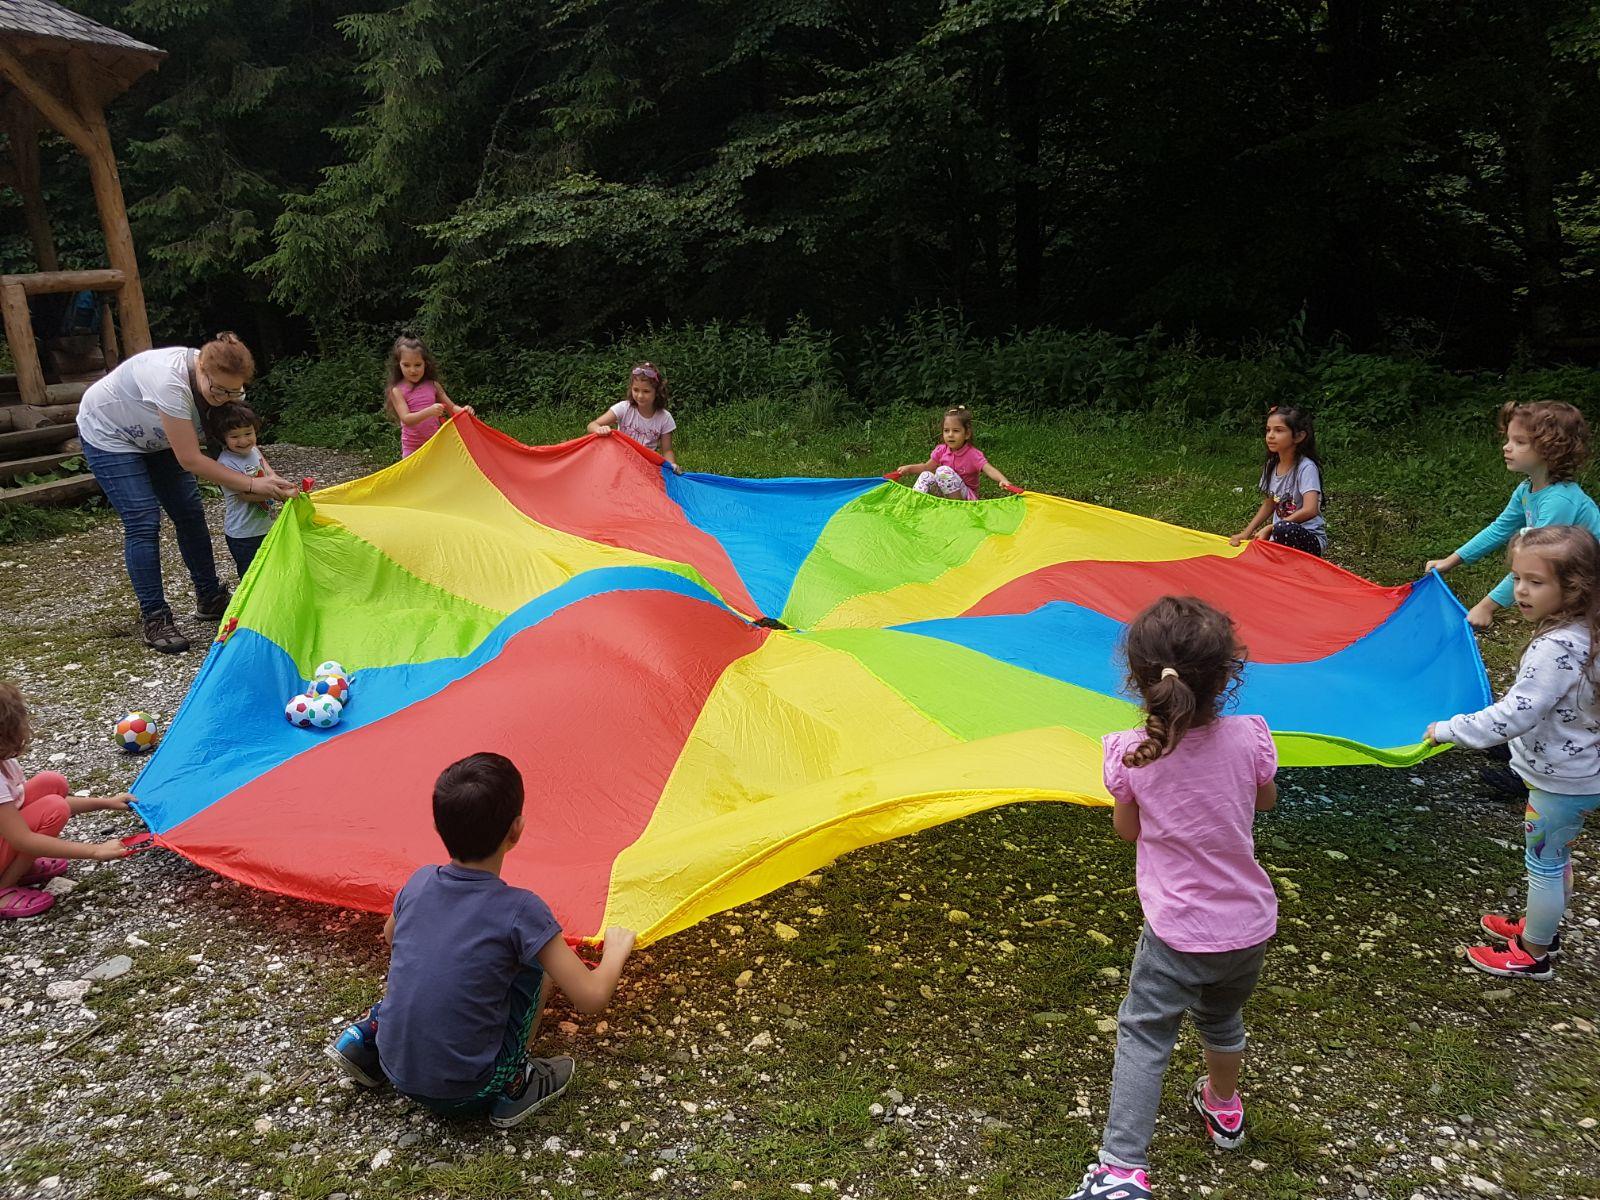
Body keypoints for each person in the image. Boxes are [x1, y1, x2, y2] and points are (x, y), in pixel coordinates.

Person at [1066, 596, 1278, 1200]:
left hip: (1177, 931)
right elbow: (1263, 803)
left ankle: (1123, 1168)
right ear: (1228, 676)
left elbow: (1128, 832)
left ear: (1137, 679)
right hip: (1248, 926)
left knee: (1145, 1033)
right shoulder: (1251, 738)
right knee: (1221, 1016)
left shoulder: (1131, 754)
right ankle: (1224, 1106)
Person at [327, 752, 636, 1126]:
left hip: (396, 1069)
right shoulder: (522, 910)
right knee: (540, 966)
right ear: (517, 830)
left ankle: (365, 1040)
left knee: (430, 965)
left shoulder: (421, 880)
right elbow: (591, 998)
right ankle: (515, 1082)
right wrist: (616, 952)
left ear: (439, 828)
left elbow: (391, 936)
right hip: (468, 1091)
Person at [1426, 525, 1600, 982]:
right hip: (1580, 775)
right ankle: (1545, 928)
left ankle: (1534, 953)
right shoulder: (1586, 631)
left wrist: (1450, 730)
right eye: (1517, 578)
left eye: (1535, 582)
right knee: (1557, 855)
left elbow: (1513, 716)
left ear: (1575, 587)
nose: (1520, 591)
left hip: (1561, 781)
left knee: (1544, 864)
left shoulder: (1556, 646)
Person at [76, 333, 299, 653]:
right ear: (201, 371)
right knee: (143, 520)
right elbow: (190, 459)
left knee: (189, 512)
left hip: (159, 437)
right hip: (111, 435)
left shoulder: (225, 379)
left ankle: (210, 597)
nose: (226, 397)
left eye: (235, 391)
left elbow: (239, 434)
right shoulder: (170, 382)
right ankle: (155, 617)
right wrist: (252, 485)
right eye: (219, 390)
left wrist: (270, 477)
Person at [1424, 401, 1600, 632]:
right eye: (1508, 440)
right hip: (1568, 581)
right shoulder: (1527, 489)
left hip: (1588, 584)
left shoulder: (1560, 501)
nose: (1507, 447)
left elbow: (1537, 560)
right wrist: (1451, 560)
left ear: (1551, 449)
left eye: (1519, 442)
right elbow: (1499, 529)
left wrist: (1487, 606)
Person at [0, 683, 136, 920]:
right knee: (54, 808)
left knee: (51, 783)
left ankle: (21, 868)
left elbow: (28, 805)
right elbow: (22, 837)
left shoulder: (4, 762)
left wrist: (106, 802)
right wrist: (95, 851)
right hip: (11, 837)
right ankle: (3, 888)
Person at [889, 405, 1018, 499]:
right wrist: (909, 469)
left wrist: (1003, 480)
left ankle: (957, 508)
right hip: (945, 492)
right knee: (926, 475)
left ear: (966, 434)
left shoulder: (972, 454)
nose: (950, 435)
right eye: (946, 430)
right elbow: (926, 467)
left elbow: (989, 469)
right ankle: (915, 504)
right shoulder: (941, 450)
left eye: (956, 431)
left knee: (942, 471)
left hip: (966, 498)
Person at [211, 403, 276, 578]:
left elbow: (270, 474)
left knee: (270, 571)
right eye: (234, 436)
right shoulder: (225, 463)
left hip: (267, 527)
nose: (243, 441)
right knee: (251, 576)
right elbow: (245, 495)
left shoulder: (254, 451)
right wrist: (277, 493)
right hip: (244, 535)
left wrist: (286, 486)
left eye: (248, 433)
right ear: (223, 438)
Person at [386, 335, 473, 458]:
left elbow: (452, 408)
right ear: (398, 364)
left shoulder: (433, 385)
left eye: (417, 365)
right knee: (415, 477)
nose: (412, 370)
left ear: (425, 364)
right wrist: (429, 411)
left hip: (435, 444)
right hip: (412, 448)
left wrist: (465, 410)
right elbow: (406, 419)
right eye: (406, 365)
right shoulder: (397, 391)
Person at [586, 363, 681, 472]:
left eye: (646, 391)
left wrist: (672, 465)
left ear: (657, 392)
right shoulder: (624, 408)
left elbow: (667, 451)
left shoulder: (665, 418)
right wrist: (599, 429)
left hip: (645, 467)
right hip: (619, 462)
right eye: (636, 390)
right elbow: (591, 425)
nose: (640, 396)